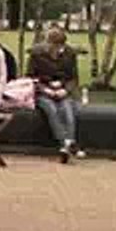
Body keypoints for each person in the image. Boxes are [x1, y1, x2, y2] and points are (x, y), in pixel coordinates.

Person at [28, 27, 85, 162]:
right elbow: (31, 77)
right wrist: (45, 89)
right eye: (53, 47)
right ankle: (67, 143)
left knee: (67, 110)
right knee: (51, 109)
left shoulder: (69, 54)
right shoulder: (36, 54)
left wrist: (65, 89)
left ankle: (67, 144)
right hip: (43, 91)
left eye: (59, 47)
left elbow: (73, 78)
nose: (56, 50)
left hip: (62, 90)